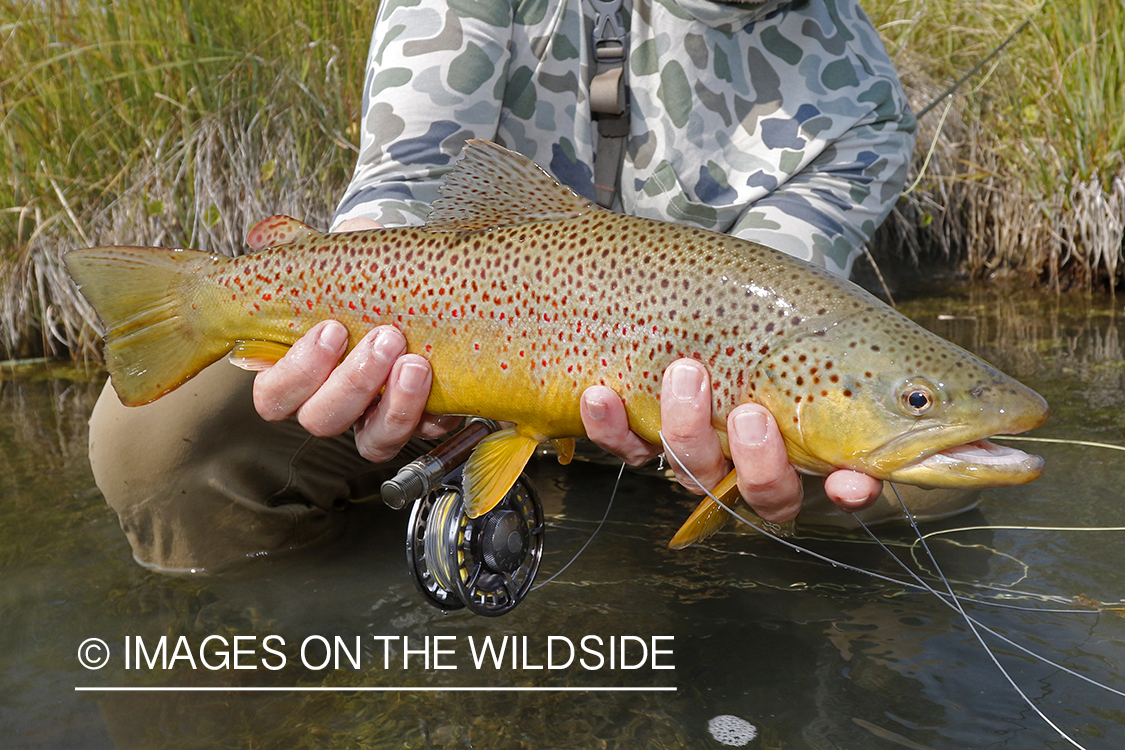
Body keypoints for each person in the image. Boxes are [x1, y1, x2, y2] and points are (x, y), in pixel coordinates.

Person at [89, 0, 917, 573]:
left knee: (907, 479)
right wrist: (356, 347)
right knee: (156, 444)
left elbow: (778, 302)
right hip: (446, 348)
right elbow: (412, 173)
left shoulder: (864, 103)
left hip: (671, 414)